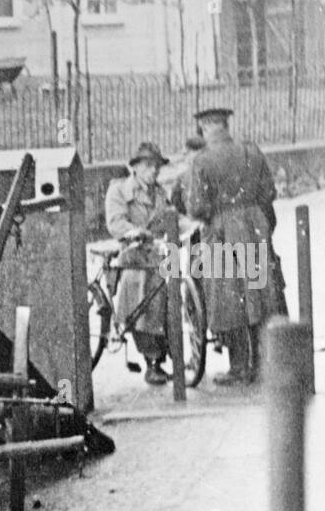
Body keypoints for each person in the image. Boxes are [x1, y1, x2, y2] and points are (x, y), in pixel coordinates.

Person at [184, 108, 283, 384]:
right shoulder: (251, 151)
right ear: (226, 125)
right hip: (254, 227)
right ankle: (264, 363)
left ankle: (239, 367)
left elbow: (196, 206)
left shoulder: (201, 161)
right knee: (258, 293)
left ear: (204, 128)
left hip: (221, 231)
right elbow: (269, 192)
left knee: (229, 299)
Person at [104, 141, 176, 385]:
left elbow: (169, 219)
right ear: (133, 168)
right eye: (148, 166)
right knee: (140, 297)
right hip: (132, 255)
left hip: (156, 254)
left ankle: (163, 358)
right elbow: (115, 223)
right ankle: (151, 362)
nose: (154, 171)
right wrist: (135, 232)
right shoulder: (119, 191)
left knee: (166, 298)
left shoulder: (160, 193)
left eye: (156, 166)